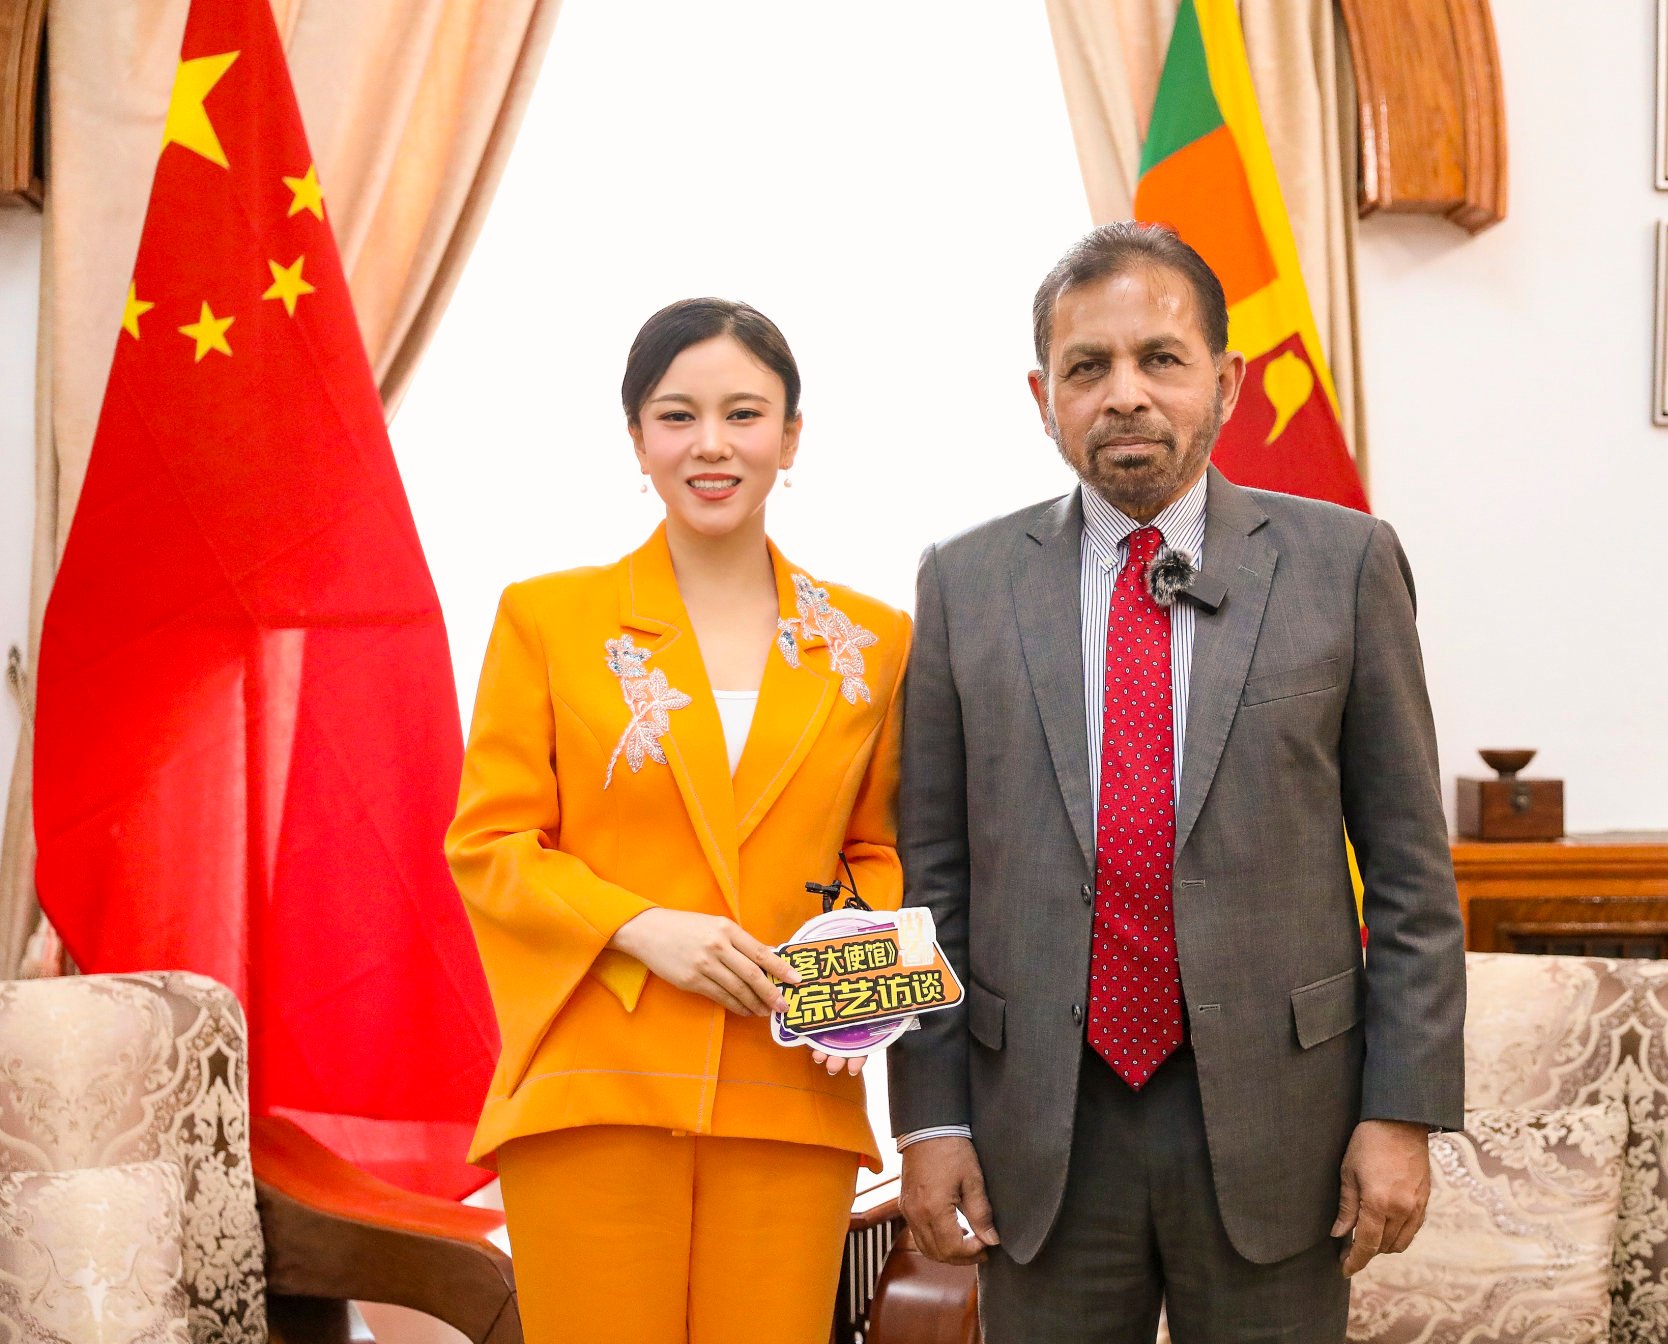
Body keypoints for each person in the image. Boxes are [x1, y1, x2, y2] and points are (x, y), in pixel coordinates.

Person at [887, 223, 1466, 1343]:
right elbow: (933, 886)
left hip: (1278, 1120)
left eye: (1161, 358)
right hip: (1041, 1129)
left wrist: (1401, 1112)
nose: (1124, 395)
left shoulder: (1343, 565)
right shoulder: (963, 584)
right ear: (1040, 393)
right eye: (1086, 366)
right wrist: (932, 1120)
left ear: (1226, 382)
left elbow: (1408, 873)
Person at [446, 298, 910, 1344]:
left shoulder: (876, 643)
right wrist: (644, 927)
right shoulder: (548, 620)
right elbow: (489, 845)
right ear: (636, 440)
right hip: (593, 1083)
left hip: (790, 1087)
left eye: (744, 414)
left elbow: (883, 853)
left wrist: (853, 988)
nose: (711, 444)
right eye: (676, 415)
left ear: (791, 438)